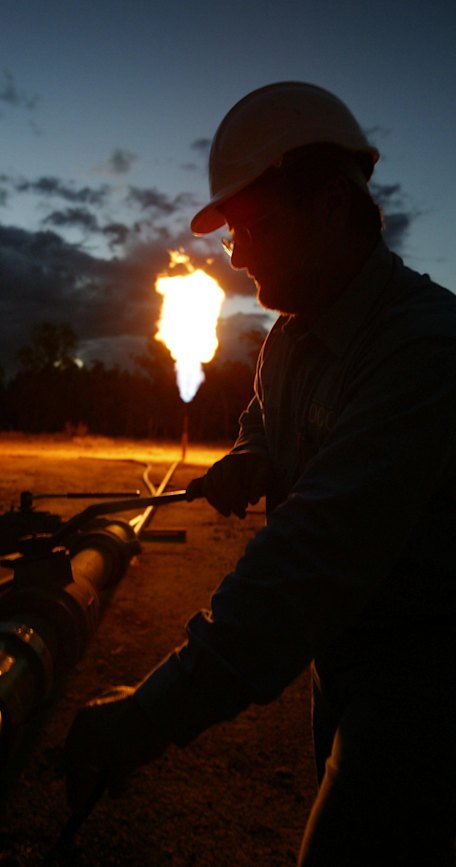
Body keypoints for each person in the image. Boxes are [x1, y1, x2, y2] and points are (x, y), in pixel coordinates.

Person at [63, 82, 456, 865]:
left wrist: (150, 714)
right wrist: (250, 457)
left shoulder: (425, 349)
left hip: (429, 673)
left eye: (255, 226)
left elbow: (311, 559)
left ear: (332, 203)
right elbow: (266, 423)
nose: (236, 256)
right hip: (342, 654)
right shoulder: (289, 338)